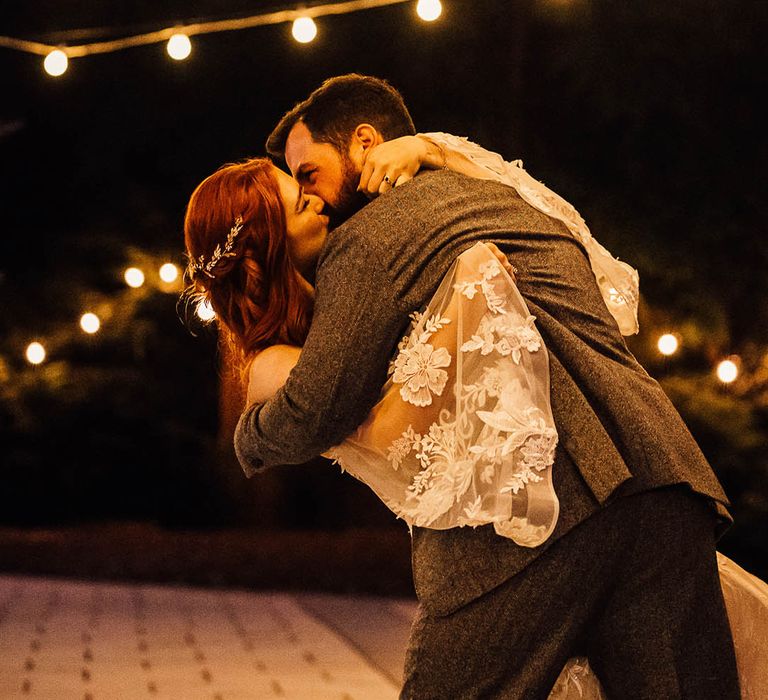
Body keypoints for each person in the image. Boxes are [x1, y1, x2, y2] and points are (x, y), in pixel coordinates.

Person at [183, 76, 764, 698]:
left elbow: (314, 409)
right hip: (665, 481)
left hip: (542, 514)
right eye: (295, 187)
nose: (311, 194)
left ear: (364, 143)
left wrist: (247, 436)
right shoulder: (491, 194)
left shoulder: (369, 240)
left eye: (306, 173)